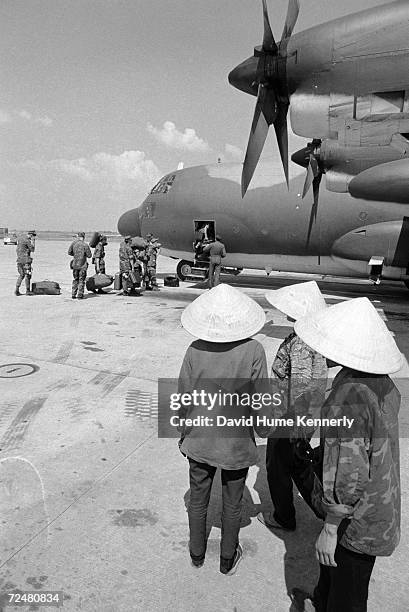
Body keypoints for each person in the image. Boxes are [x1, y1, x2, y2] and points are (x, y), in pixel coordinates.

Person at [294, 297, 402, 612]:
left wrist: (329, 528)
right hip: (374, 506)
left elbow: (351, 476)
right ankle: (319, 600)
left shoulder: (350, 396)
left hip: (358, 520)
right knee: (333, 575)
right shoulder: (380, 381)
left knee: (349, 598)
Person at [178, 283, 275, 575]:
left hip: (199, 439)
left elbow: (183, 397)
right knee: (233, 502)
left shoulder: (195, 349)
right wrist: (264, 430)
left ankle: (197, 554)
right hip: (235, 444)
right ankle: (226, 559)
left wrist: (185, 432)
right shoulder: (254, 350)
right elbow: (260, 402)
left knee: (198, 498)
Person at [258, 281, 328, 532]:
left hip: (292, 416)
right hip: (305, 416)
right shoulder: (313, 337)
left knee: (277, 468)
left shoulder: (299, 341)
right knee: (298, 464)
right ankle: (325, 511)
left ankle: (284, 517)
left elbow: (300, 383)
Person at [68, 232, 92, 299]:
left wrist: (76, 255)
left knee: (75, 279)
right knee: (81, 280)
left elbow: (69, 252)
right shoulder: (85, 245)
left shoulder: (73, 244)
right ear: (84, 237)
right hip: (82, 265)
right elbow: (89, 255)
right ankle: (80, 294)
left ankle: (73, 294)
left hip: (75, 265)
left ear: (78, 236)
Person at [15, 230, 36, 296]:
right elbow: (32, 249)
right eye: (33, 236)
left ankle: (17, 290)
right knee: (28, 275)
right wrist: (33, 241)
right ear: (31, 235)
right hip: (26, 261)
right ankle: (28, 290)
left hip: (19, 261)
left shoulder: (21, 239)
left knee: (21, 275)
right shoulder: (27, 241)